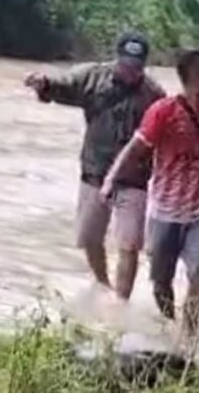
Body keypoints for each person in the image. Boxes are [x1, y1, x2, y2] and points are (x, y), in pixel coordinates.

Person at [24, 32, 164, 301]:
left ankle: (122, 303)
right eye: (125, 64)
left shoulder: (153, 94)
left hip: (133, 178)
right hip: (94, 173)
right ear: (117, 59)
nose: (130, 71)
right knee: (89, 238)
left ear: (143, 65)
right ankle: (103, 284)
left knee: (129, 244)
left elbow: (165, 131)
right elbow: (63, 84)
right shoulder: (93, 77)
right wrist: (43, 83)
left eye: (136, 67)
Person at [102, 49, 199, 333]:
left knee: (198, 273)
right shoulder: (163, 111)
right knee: (161, 280)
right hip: (164, 211)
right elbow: (135, 148)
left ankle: (188, 337)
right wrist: (111, 178)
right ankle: (169, 324)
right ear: (194, 75)